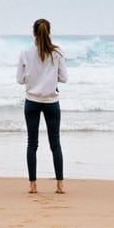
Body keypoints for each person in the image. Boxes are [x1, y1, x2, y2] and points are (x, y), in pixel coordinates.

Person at [16, 18, 68, 194]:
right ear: (49, 32)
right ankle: (60, 185)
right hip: (51, 102)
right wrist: (48, 79)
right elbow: (64, 78)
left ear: (33, 32)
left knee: (32, 143)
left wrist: (33, 80)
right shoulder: (57, 53)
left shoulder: (25, 52)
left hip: (31, 102)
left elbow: (19, 80)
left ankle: (32, 185)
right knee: (55, 144)